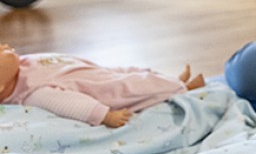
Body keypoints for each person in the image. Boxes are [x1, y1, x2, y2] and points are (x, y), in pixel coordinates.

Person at [0, 43, 205, 127]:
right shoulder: (31, 92)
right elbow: (68, 103)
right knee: (134, 86)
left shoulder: (22, 64)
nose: (4, 46)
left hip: (95, 71)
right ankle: (184, 89)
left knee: (133, 71)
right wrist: (103, 115)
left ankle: (173, 81)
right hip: (101, 88)